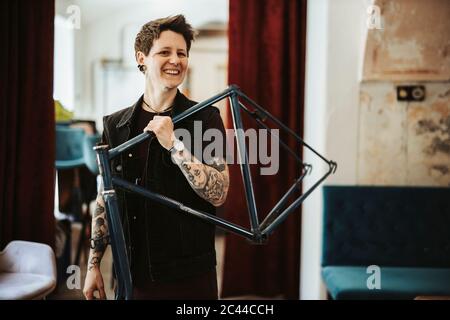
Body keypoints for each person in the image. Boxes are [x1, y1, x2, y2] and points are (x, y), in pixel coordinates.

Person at [83, 15, 229, 300]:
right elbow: (105, 195)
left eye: (182, 53)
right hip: (132, 271)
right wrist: (93, 264)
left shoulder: (206, 118)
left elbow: (219, 192)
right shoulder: (115, 125)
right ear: (142, 58)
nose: (175, 60)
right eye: (165, 52)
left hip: (190, 274)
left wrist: (175, 144)